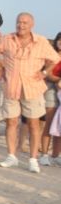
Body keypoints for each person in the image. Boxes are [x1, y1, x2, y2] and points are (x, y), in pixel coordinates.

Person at [0, 13, 60, 173]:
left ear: (32, 24)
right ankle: (11, 156)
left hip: (33, 88)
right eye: (19, 22)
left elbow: (55, 59)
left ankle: (33, 159)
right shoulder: (7, 39)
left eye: (25, 23)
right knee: (11, 123)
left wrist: (44, 73)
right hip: (11, 88)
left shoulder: (41, 41)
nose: (21, 25)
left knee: (34, 124)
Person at [38, 32, 61, 165]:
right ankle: (44, 154)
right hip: (51, 90)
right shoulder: (51, 56)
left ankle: (56, 155)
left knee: (59, 126)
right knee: (49, 123)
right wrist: (59, 80)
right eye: (59, 40)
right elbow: (47, 74)